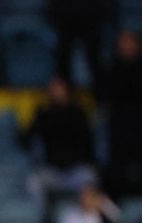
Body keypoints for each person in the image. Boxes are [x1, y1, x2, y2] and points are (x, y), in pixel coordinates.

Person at [102, 32, 142, 199]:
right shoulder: (113, 66)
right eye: (122, 45)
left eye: (129, 44)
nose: (126, 48)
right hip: (120, 125)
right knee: (118, 167)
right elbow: (106, 94)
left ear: (138, 45)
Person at [23, 76, 97, 205]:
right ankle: (44, 218)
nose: (56, 92)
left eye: (60, 88)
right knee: (33, 182)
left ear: (67, 90)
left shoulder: (77, 113)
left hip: (75, 170)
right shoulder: (44, 114)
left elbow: (88, 143)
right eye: (53, 89)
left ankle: (84, 219)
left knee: (91, 177)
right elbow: (27, 139)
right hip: (52, 170)